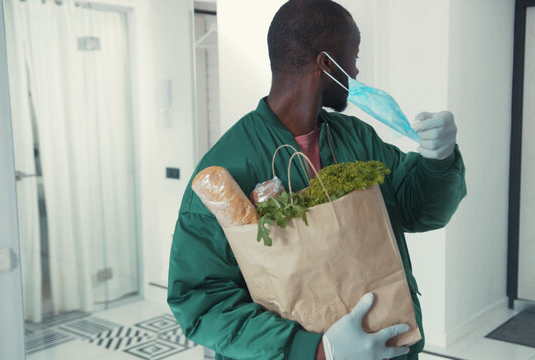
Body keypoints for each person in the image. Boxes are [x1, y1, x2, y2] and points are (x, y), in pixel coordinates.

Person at [167, 0, 466, 359]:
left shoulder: (358, 139)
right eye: (353, 57)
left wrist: (438, 161)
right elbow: (202, 303)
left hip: (388, 346)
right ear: (326, 63)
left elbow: (416, 210)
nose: (355, 71)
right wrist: (319, 351)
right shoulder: (225, 171)